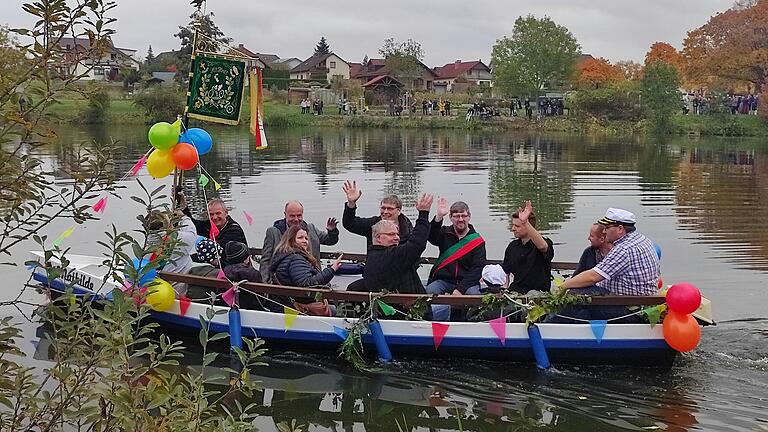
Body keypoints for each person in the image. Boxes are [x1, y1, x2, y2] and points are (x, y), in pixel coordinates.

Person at [354, 193, 450, 320]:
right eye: (391, 234)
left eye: (397, 234)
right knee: (446, 307)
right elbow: (417, 244)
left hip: (390, 311)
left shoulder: (372, 255)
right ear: (377, 237)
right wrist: (423, 214)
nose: (396, 238)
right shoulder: (393, 256)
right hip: (409, 316)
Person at [560, 208, 660, 296]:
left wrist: (562, 287)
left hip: (625, 304)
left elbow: (593, 277)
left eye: (607, 228)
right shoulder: (643, 239)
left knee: (575, 293)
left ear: (620, 229)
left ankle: (551, 317)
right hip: (642, 300)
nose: (604, 231)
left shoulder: (624, 249)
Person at [269, 225, 343, 315]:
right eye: (300, 238)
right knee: (336, 310)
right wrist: (331, 270)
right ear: (291, 240)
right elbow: (306, 284)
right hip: (295, 307)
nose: (305, 241)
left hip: (286, 303)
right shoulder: (295, 258)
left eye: (306, 238)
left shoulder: (286, 255)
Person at [259, 201, 339, 283]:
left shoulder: (311, 229)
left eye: (299, 215)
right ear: (285, 214)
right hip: (284, 283)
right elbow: (265, 260)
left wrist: (332, 231)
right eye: (292, 216)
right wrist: (265, 284)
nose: (296, 219)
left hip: (314, 278)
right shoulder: (273, 232)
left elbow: (330, 241)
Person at [425, 199, 486, 296]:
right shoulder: (445, 233)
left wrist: (460, 289)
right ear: (450, 217)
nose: (460, 219)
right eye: (456, 216)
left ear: (469, 217)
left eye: (464, 216)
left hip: (467, 283)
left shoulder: (477, 241)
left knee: (474, 295)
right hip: (444, 280)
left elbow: (477, 269)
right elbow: (431, 237)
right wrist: (439, 216)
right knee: (431, 291)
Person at [179, 194, 248, 266]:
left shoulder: (234, 231)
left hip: (237, 271)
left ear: (226, 213)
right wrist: (184, 208)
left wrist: (186, 259)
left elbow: (213, 252)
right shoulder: (210, 225)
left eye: (218, 213)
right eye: (211, 214)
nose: (214, 217)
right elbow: (194, 226)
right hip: (217, 267)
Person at [501, 201, 554, 295]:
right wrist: (504, 289)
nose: (513, 229)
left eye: (517, 226)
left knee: (531, 295)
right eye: (513, 225)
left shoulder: (544, 243)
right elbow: (506, 272)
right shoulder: (512, 246)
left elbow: (542, 247)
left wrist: (525, 221)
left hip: (538, 293)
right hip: (516, 291)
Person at [341, 180, 413, 247]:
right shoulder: (373, 224)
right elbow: (349, 224)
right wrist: (351, 203)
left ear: (398, 211)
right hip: (378, 259)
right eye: (383, 208)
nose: (385, 212)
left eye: (390, 209)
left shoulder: (408, 228)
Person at [145, 209, 199, 296]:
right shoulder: (180, 240)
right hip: (179, 293)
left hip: (155, 294)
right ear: (168, 226)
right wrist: (183, 217)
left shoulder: (144, 248)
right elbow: (192, 231)